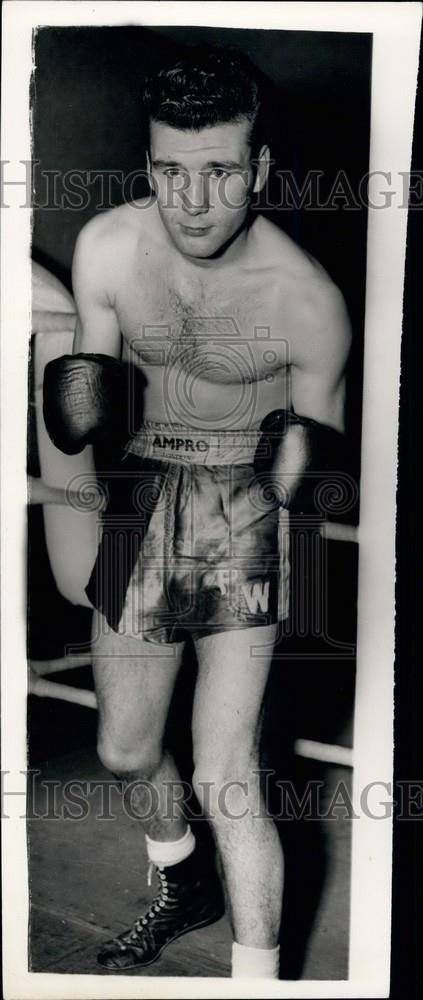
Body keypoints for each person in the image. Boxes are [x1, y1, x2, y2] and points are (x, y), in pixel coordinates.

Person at [43, 45, 351, 978]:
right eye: (171, 171)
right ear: (147, 166)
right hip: (139, 502)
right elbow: (82, 423)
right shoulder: (105, 247)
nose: (193, 199)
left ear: (257, 167)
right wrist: (80, 512)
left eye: (219, 170)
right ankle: (183, 880)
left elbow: (313, 477)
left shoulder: (307, 302)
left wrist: (287, 577)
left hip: (247, 518)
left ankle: (259, 984)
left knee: (228, 775)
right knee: (127, 751)